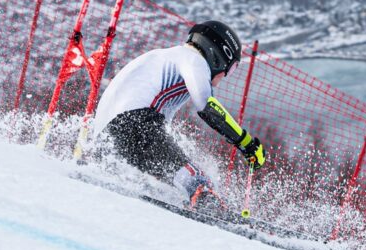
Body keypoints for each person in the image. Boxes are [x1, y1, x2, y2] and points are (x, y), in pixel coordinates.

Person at [91, 20, 266, 213]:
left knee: (171, 184)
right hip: (137, 124)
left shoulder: (166, 56)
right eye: (231, 68)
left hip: (109, 137)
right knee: (197, 181)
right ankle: (211, 207)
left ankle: (197, 202)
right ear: (219, 56)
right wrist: (246, 142)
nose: (225, 75)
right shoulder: (194, 59)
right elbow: (207, 106)